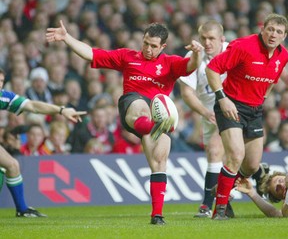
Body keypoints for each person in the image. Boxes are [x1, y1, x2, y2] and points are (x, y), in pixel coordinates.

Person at [46, 21, 204, 225]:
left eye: (153, 46)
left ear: (162, 47)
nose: (148, 48)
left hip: (158, 115)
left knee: (159, 161)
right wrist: (66, 38)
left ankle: (157, 215)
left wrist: (198, 54)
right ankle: (151, 125)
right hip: (133, 106)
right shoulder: (127, 56)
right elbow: (91, 54)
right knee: (143, 110)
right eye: (146, 43)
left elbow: (190, 66)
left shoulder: (170, 63)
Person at [205, 13, 288, 220]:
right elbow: (212, 69)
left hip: (254, 110)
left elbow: (273, 79)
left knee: (252, 165)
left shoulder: (283, 56)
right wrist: (222, 98)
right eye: (271, 29)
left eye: (279, 32)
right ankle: (219, 210)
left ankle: (220, 187)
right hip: (230, 105)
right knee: (236, 156)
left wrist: (263, 97)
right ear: (262, 29)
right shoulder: (243, 46)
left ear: (284, 36)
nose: (274, 35)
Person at [0, 69, 85, 217]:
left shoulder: (3, 97)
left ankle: (22, 210)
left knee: (11, 166)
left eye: (1, 81)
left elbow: (32, 106)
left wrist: (61, 110)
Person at [179, 20, 229, 218]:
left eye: (212, 38)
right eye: (203, 38)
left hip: (234, 108)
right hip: (209, 112)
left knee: (216, 151)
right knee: (217, 155)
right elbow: (186, 93)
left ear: (222, 40)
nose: (207, 43)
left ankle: (207, 205)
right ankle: (225, 201)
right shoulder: (193, 57)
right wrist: (205, 113)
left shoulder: (233, 50)